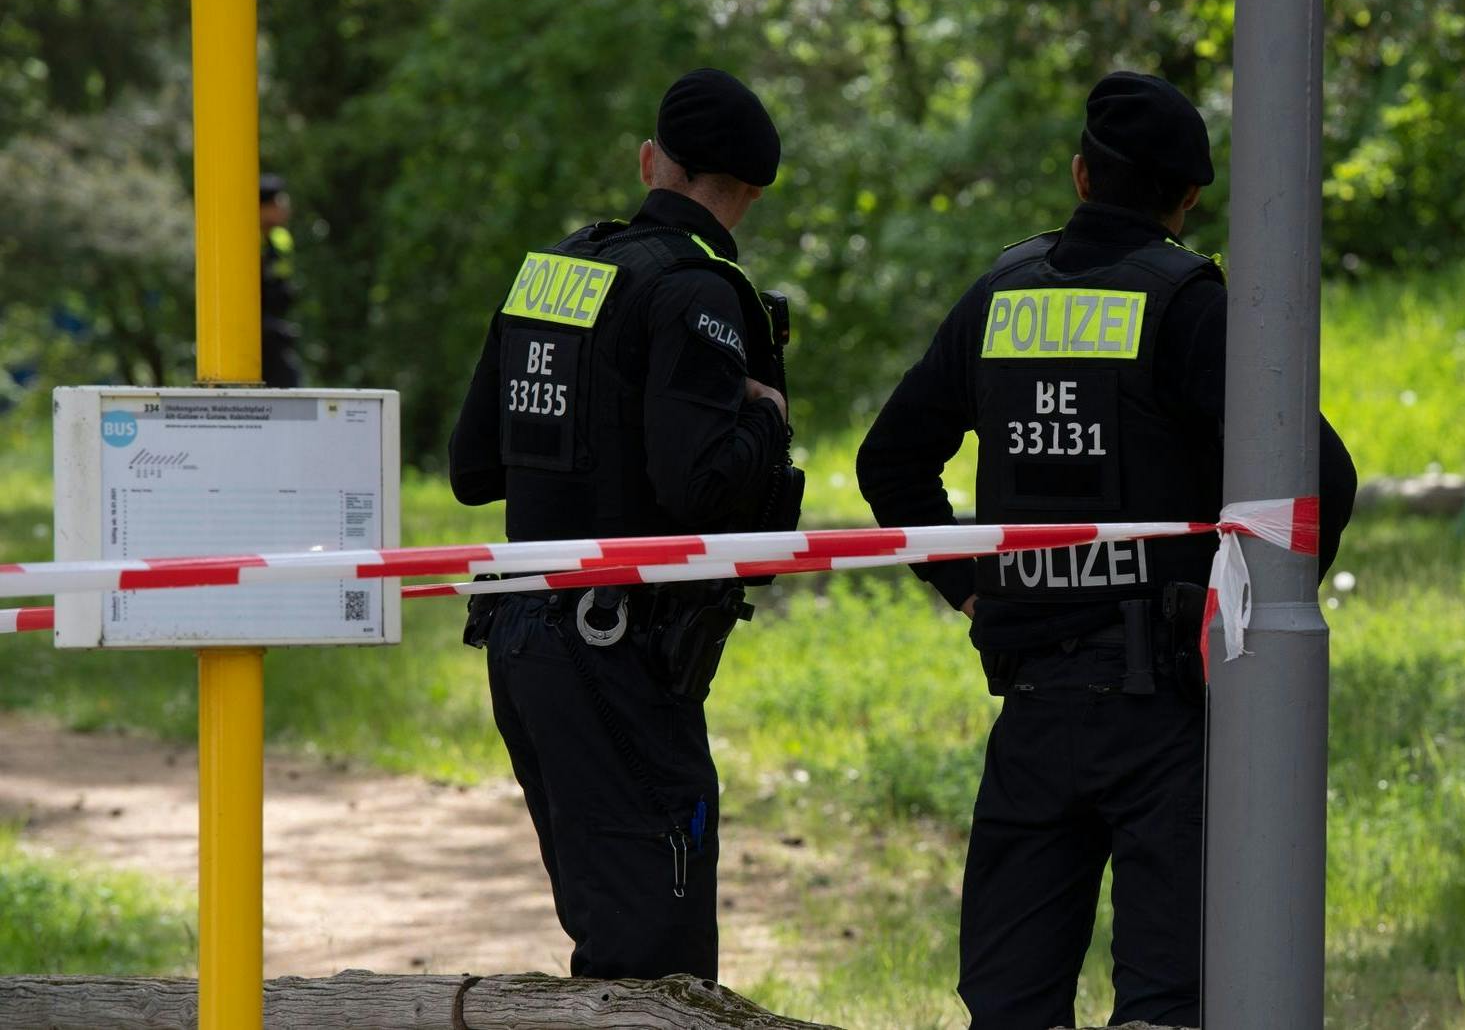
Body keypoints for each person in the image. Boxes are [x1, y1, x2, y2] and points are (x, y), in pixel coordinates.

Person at [856, 71, 1358, 1030]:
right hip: (1165, 710)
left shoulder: (1001, 294)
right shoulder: (1192, 307)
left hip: (1032, 709)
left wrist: (969, 586)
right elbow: (1322, 479)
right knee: (1166, 1003)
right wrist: (1248, 622)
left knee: (1009, 1004)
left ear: (1081, 174)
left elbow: (892, 461)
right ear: (1189, 196)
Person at [447, 68, 803, 980]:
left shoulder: (554, 271)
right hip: (618, 651)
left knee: (608, 933)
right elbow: (703, 491)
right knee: (657, 956)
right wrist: (764, 416)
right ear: (750, 193)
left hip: (522, 641)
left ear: (652, 163)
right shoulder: (697, 290)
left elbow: (473, 468)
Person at [259, 174, 301, 388]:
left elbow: (282, 281)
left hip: (274, 325)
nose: (284, 207)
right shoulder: (241, 239)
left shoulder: (280, 238)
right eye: (277, 203)